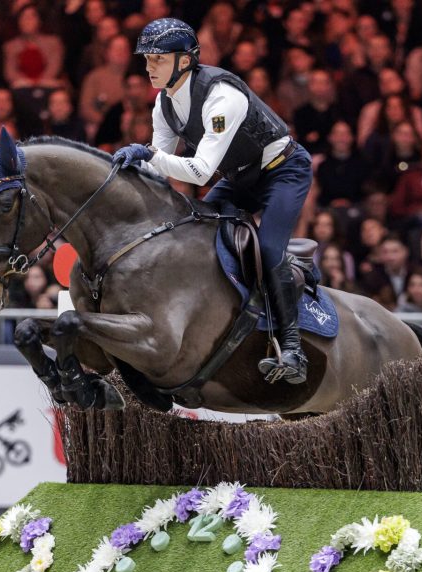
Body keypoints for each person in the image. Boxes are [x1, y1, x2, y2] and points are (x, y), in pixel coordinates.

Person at [113, 18, 313, 384]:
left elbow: (201, 172)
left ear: (184, 62)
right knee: (192, 224)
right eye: (147, 59)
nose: (148, 67)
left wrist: (148, 155)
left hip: (283, 171)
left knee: (269, 251)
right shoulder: (165, 105)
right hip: (239, 177)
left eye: (157, 59)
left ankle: (293, 347)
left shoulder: (223, 97)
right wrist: (132, 171)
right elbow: (160, 170)